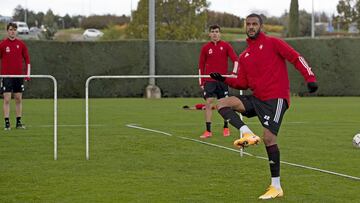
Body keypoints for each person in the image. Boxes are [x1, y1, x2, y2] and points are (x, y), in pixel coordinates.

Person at [210, 13, 318, 200]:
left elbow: (296, 58)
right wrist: (225, 79)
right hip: (257, 98)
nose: (251, 27)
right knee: (222, 103)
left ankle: (276, 186)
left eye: (254, 24)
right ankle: (246, 132)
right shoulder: (244, 56)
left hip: (276, 99)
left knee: (269, 138)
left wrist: (310, 78)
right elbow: (243, 82)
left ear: (261, 26)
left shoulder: (273, 43)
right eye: (248, 24)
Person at [198, 24, 238, 139]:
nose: (215, 33)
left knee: (223, 104)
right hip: (209, 80)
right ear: (209, 34)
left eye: (216, 31)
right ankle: (208, 131)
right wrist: (201, 81)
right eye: (212, 31)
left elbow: (236, 60)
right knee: (209, 102)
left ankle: (226, 127)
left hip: (222, 80)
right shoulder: (205, 48)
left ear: (220, 33)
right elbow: (201, 65)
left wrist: (233, 74)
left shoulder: (226, 46)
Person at [0, 22, 31, 130]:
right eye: (10, 29)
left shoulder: (21, 44)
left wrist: (27, 75)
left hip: (18, 76)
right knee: (7, 99)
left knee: (18, 99)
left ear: (16, 31)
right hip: (6, 76)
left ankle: (18, 122)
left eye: (14, 29)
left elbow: (27, 60)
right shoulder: (2, 44)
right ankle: (7, 123)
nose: (12, 31)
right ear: (7, 31)